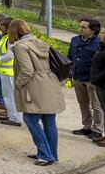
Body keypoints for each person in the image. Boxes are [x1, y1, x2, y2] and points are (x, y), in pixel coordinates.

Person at [7, 19, 65, 166]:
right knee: (49, 121)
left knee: (31, 119)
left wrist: (18, 84)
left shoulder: (21, 47)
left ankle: (45, 154)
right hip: (49, 83)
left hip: (35, 86)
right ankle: (50, 153)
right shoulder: (39, 42)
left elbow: (27, 70)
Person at [68, 18, 104, 141]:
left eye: (84, 27)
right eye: (80, 26)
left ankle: (97, 129)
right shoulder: (75, 40)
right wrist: (69, 73)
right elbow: (70, 57)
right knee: (83, 103)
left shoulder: (99, 42)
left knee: (96, 105)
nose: (81, 29)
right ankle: (86, 126)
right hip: (78, 76)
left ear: (93, 30)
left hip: (92, 79)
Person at [0, 18, 22, 127]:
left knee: (10, 96)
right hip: (5, 71)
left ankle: (15, 118)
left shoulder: (10, 39)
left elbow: (11, 54)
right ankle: (11, 115)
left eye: (2, 25)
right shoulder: (6, 38)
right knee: (8, 96)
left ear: (8, 27)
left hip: (8, 71)